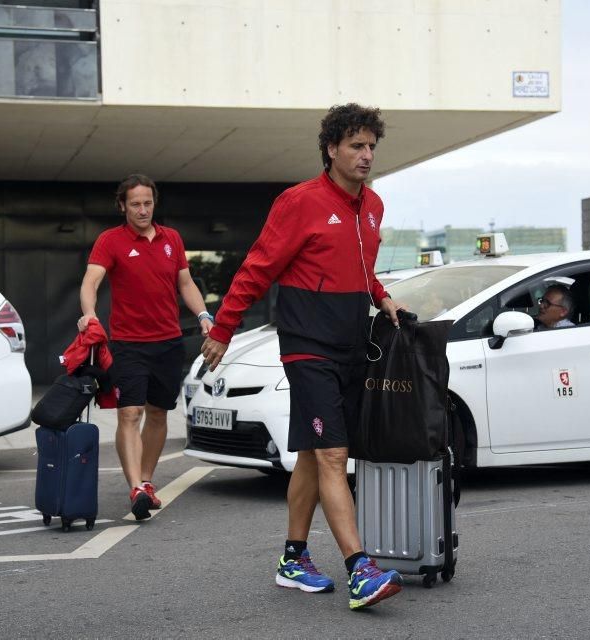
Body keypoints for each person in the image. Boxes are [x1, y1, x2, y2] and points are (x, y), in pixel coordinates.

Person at [201, 104, 405, 611]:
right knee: (334, 454)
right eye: (356, 145)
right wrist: (224, 328)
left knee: (315, 454)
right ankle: (360, 569)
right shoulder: (299, 202)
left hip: (352, 343)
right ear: (331, 149)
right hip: (307, 344)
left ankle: (294, 559)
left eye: (371, 146)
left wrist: (382, 296)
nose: (366, 155)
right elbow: (256, 267)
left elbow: (362, 268)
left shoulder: (374, 205)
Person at [78, 174, 213, 520]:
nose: (142, 210)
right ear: (122, 205)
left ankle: (148, 482)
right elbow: (91, 281)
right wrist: (90, 315)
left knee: (157, 413)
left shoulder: (172, 239)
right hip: (128, 344)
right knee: (130, 412)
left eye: (148, 203)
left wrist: (203, 315)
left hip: (168, 342)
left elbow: (185, 283)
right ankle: (135, 485)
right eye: (135, 204)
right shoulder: (111, 241)